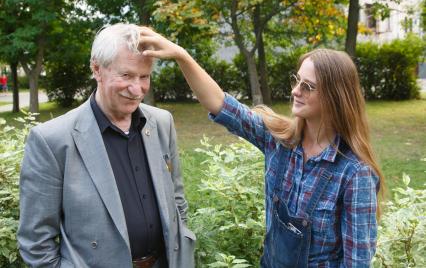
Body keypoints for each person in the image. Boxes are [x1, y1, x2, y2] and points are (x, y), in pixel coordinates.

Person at [139, 27, 385, 267]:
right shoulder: (280, 141)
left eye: (307, 86)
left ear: (335, 96)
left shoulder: (354, 173)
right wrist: (182, 56)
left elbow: (357, 261)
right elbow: (220, 105)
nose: (295, 91)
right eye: (297, 80)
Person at [18, 23, 195, 268]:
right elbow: (36, 243)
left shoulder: (162, 123)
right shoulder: (52, 140)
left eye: (144, 77)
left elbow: (177, 201)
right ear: (97, 69)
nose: (137, 89)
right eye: (126, 75)